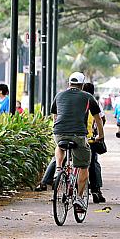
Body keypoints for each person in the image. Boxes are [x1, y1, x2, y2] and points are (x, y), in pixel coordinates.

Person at [50, 72, 104, 214]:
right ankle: (79, 199)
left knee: (59, 145)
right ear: (82, 85)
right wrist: (101, 136)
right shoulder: (87, 97)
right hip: (78, 134)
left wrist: (58, 129)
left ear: (69, 83)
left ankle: (59, 168)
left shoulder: (59, 95)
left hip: (59, 132)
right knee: (84, 167)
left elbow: (55, 117)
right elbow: (98, 119)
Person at [84, 82, 106, 204]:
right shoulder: (93, 102)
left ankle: (51, 180)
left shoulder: (73, 101)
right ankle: (96, 191)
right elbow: (102, 119)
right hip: (89, 138)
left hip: (69, 136)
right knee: (93, 164)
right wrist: (99, 134)